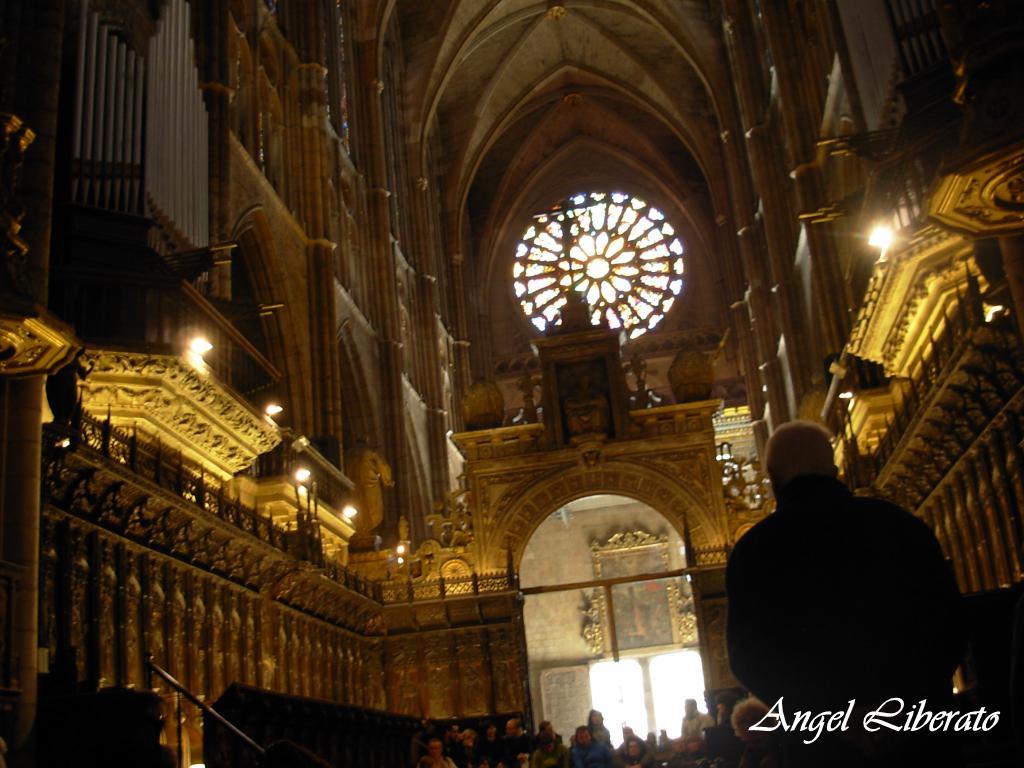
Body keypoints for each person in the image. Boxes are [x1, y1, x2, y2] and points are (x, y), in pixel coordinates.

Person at [726, 420, 966, 766]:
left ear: (773, 479)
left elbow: (749, 659)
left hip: (820, 747)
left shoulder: (754, 551)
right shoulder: (902, 527)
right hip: (918, 738)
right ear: (834, 469)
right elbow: (950, 626)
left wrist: (831, 716)